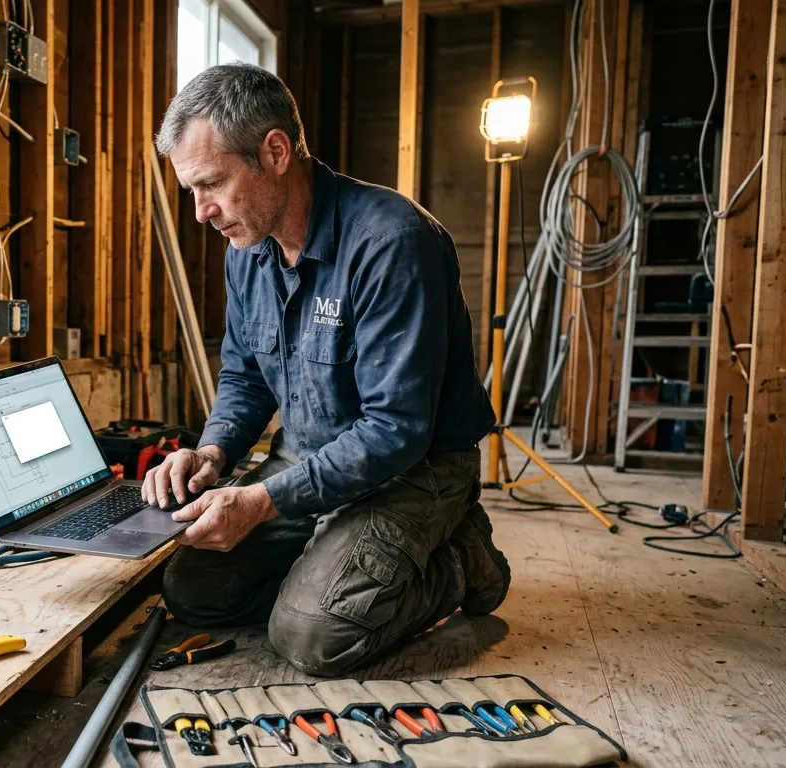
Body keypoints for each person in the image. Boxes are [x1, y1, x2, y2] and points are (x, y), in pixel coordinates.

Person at [142, 63, 510, 676]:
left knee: (314, 637)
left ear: (276, 152)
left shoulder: (391, 241)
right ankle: (335, 563)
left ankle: (460, 562)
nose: (202, 212)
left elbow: (396, 430)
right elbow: (244, 376)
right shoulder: (248, 249)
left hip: (417, 469)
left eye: (212, 184)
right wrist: (210, 454)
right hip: (309, 456)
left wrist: (262, 502)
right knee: (193, 592)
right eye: (191, 192)